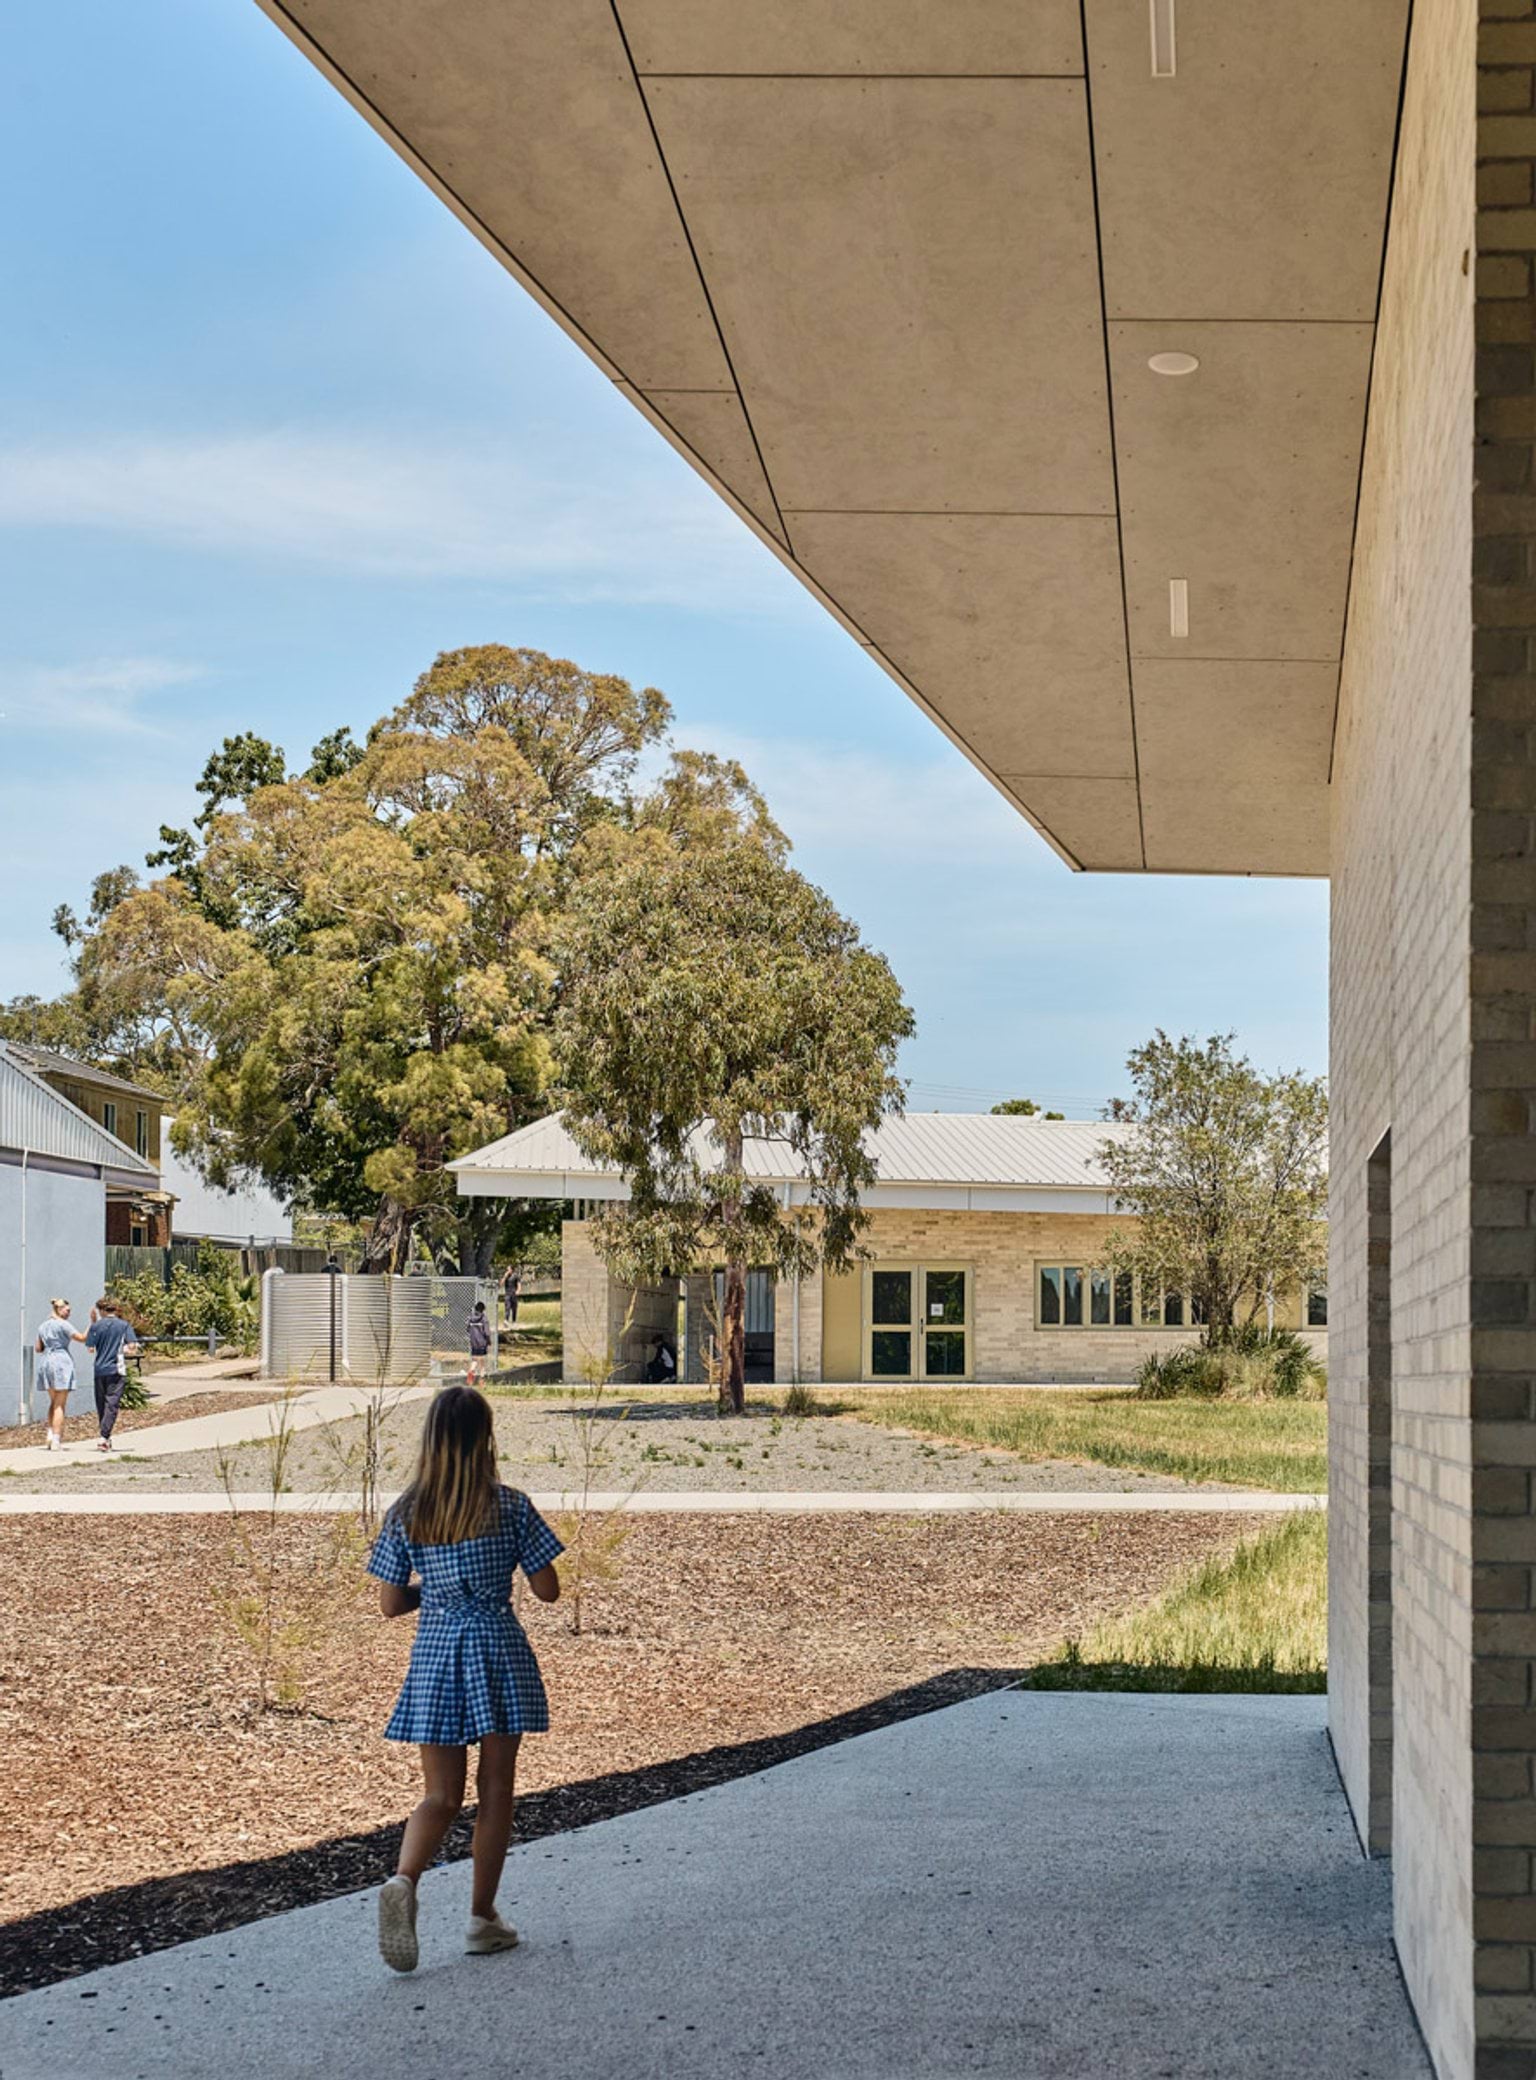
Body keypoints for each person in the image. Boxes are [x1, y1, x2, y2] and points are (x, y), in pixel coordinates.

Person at [368, 1385, 563, 1973]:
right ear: (486, 1440)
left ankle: (404, 1879)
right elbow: (549, 1590)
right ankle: (482, 1917)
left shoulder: (407, 1512)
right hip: (498, 1649)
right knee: (496, 1787)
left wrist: (440, 1588)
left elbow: (390, 1603)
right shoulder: (511, 1506)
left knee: (441, 1795)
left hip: (435, 1655)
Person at [83, 1297, 140, 1454]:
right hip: (116, 1368)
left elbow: (90, 1348)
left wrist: (93, 1323)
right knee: (112, 1403)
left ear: (101, 1310)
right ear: (115, 1309)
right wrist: (123, 1350)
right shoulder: (123, 1325)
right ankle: (103, 1436)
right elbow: (132, 1346)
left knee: (102, 1404)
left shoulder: (96, 1326)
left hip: (99, 1369)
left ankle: (105, 1437)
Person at [34, 1298, 85, 1451]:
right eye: (67, 1310)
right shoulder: (63, 1324)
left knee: (53, 1400)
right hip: (61, 1362)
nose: (69, 1313)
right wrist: (92, 1324)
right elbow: (82, 1338)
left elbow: (38, 1348)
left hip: (46, 1362)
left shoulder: (42, 1326)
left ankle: (50, 1432)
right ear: (59, 1309)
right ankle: (56, 1439)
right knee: (60, 1404)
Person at [465, 1300, 491, 1386]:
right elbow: (487, 1332)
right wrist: (489, 1342)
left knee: (475, 1360)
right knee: (482, 1363)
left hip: (473, 1343)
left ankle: (471, 1373)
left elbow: (468, 1329)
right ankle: (481, 1381)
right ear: (483, 1309)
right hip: (482, 1343)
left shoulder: (470, 1318)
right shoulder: (484, 1318)